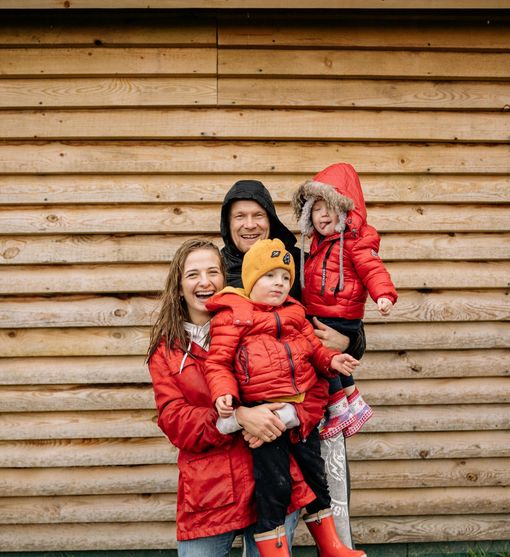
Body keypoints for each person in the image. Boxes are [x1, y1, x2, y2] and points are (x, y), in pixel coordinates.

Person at [147, 239, 327, 557]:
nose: (204, 281)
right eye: (193, 274)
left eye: (212, 271)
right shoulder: (167, 351)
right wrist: (239, 417)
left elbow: (313, 389)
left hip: (271, 483)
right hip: (209, 493)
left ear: (225, 279)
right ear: (178, 286)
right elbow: (174, 420)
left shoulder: (267, 326)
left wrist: (283, 417)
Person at [204, 238, 366, 557]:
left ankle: (331, 545)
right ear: (251, 278)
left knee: (317, 478)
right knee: (274, 487)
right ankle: (275, 552)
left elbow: (315, 350)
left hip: (300, 410)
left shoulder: (295, 312)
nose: (279, 284)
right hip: (263, 415)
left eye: (285, 278)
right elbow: (218, 362)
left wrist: (331, 360)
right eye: (270, 276)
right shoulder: (232, 315)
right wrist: (224, 393)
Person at [292, 162, 398, 439]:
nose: (322, 214)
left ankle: (341, 408)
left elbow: (373, 270)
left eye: (329, 206)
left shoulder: (356, 241)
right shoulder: (317, 245)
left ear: (345, 210)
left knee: (323, 358)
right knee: (324, 356)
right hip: (325, 314)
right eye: (315, 208)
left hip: (342, 319)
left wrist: (384, 295)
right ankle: (354, 401)